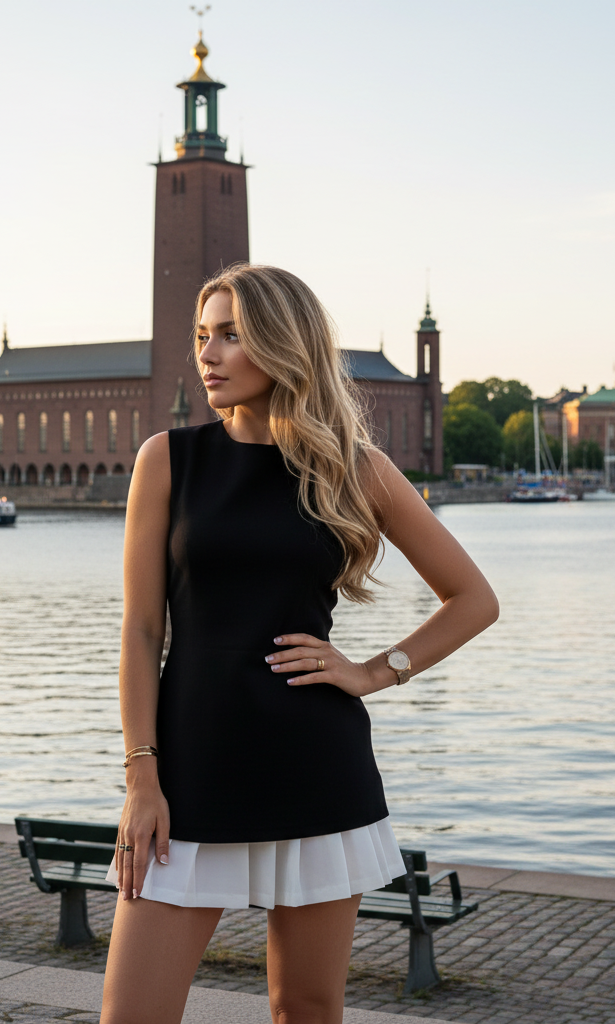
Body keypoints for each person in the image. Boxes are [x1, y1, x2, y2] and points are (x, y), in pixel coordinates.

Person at [101, 265, 499, 1024]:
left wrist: (376, 671)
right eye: (202, 335)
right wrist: (141, 777)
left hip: (314, 765)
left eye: (231, 335)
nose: (207, 354)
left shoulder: (355, 469)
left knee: (307, 1010)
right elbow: (142, 631)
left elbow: (474, 599)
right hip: (189, 771)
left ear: (284, 345)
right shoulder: (168, 459)